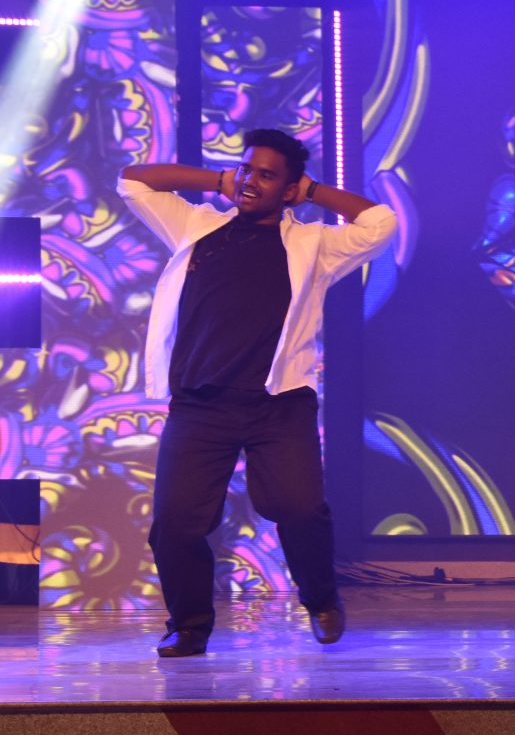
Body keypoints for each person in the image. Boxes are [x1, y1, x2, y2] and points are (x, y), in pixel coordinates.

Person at [120, 130, 396, 658]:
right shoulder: (197, 225)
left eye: (267, 175)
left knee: (299, 509)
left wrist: (312, 191)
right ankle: (189, 625)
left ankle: (321, 600)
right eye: (247, 168)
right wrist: (220, 180)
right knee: (175, 524)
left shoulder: (314, 245)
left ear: (289, 188)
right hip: (200, 405)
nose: (251, 180)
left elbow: (380, 222)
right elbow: (135, 181)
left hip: (279, 405)